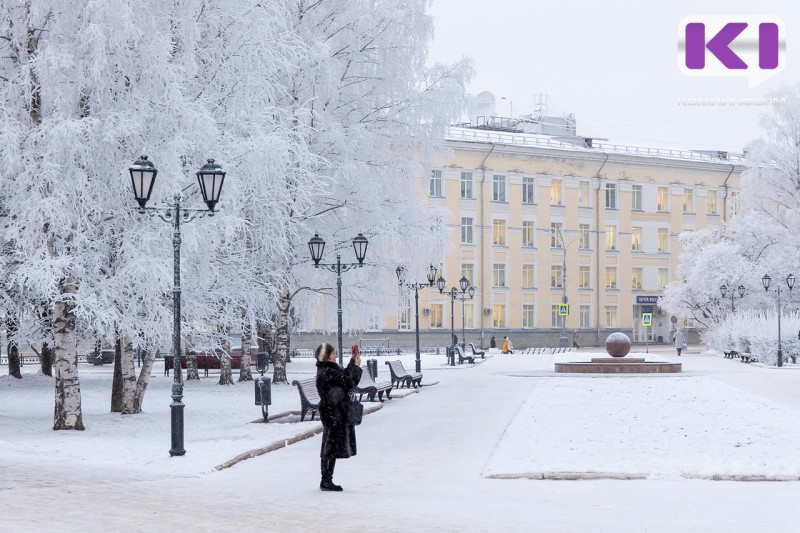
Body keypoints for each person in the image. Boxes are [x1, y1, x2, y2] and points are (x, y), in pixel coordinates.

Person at [315, 342, 362, 491]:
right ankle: (326, 481)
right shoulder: (327, 372)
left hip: (333, 411)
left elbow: (344, 377)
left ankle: (327, 480)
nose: (335, 355)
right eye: (333, 353)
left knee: (331, 445)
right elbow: (349, 382)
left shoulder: (328, 370)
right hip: (333, 412)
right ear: (328, 357)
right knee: (330, 446)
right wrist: (356, 366)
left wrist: (352, 362)